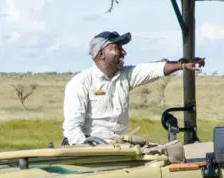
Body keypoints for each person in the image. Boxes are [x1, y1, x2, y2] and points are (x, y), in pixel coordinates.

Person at [62, 31, 203, 145]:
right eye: (117, 48)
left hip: (117, 148)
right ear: (101, 54)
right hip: (91, 150)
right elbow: (72, 129)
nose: (124, 52)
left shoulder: (125, 75)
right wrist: (89, 152)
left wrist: (182, 66)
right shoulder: (80, 83)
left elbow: (151, 70)